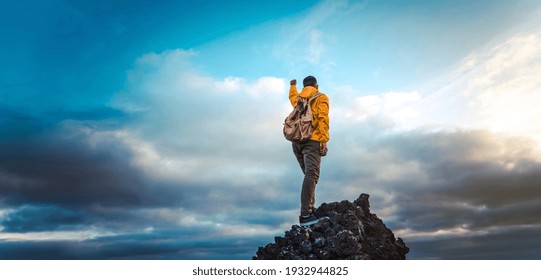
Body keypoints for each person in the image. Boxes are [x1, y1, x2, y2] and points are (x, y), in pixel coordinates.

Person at [289, 75, 330, 226]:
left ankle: (310, 208)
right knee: (311, 175)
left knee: (309, 176)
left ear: (304, 86)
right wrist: (323, 140)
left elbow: (292, 98)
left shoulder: (300, 98)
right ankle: (305, 214)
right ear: (316, 86)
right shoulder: (321, 97)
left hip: (296, 141)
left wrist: (292, 86)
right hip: (312, 139)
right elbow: (323, 118)